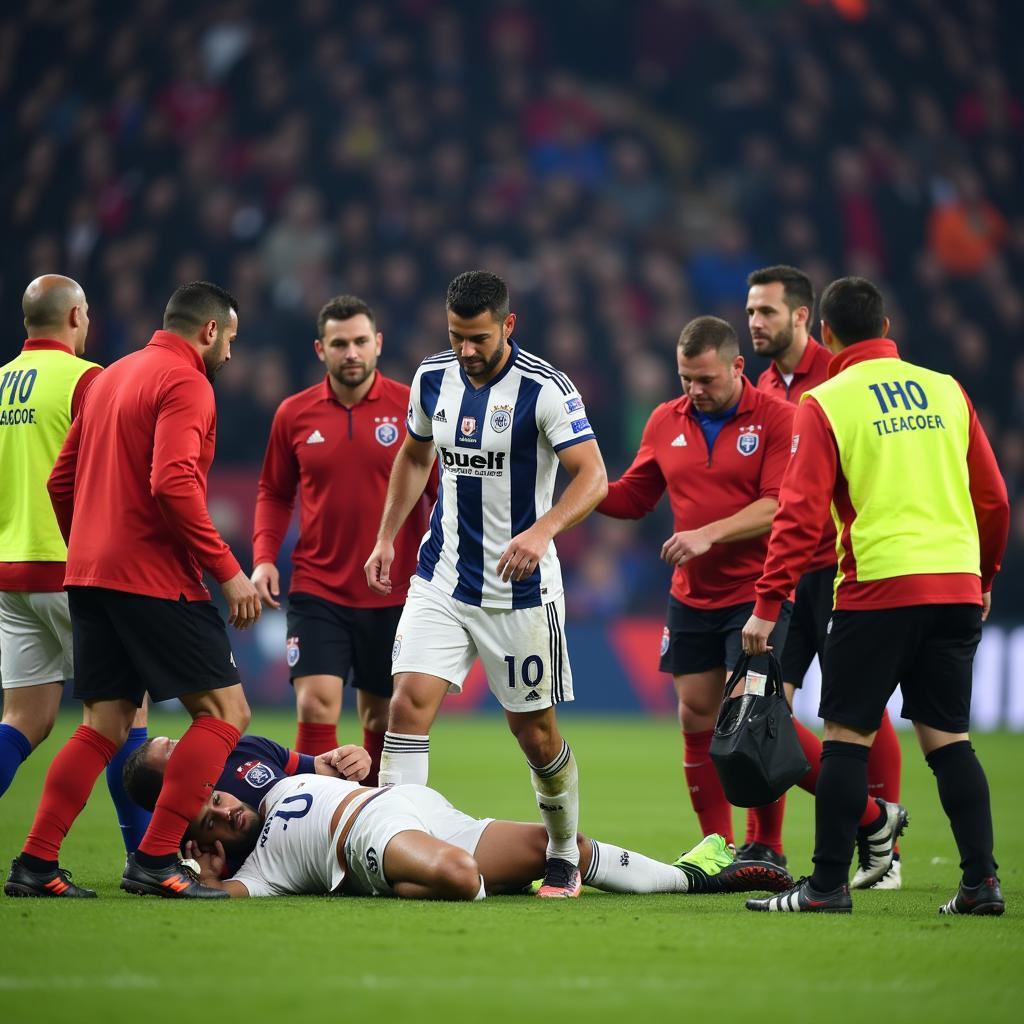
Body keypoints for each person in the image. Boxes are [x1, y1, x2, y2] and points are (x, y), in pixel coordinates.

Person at [743, 276, 1010, 915]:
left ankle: (827, 887)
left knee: (844, 737)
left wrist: (768, 603)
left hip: (878, 588)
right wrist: (986, 578)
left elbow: (801, 515)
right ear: (887, 329)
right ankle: (981, 883)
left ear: (826, 335)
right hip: (954, 587)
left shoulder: (827, 400)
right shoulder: (947, 390)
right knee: (949, 741)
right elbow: (995, 498)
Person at [4, 281, 261, 901]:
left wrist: (89, 546)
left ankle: (36, 863)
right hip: (151, 578)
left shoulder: (112, 374)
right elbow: (173, 483)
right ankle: (155, 858)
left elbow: (61, 482)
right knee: (226, 713)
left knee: (104, 724)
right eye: (229, 337)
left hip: (86, 574)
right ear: (208, 331)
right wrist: (227, 568)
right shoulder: (186, 382)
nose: (230, 351)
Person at [363, 270, 608, 899]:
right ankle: (399, 846)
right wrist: (389, 535)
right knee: (407, 705)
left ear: (508, 325)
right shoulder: (431, 378)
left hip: (519, 593)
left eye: (478, 338)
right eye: (456, 336)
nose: (466, 350)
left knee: (534, 734)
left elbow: (593, 477)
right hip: (441, 578)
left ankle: (561, 852)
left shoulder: (545, 389)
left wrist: (542, 531)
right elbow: (416, 456)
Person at [597, 315, 797, 863]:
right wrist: (578, 490)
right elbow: (633, 497)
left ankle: (768, 846)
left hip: (758, 592)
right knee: (695, 717)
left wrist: (708, 533)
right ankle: (719, 846)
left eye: (705, 379)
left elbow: (779, 504)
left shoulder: (779, 418)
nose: (694, 390)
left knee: (751, 718)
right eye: (685, 378)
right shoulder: (666, 420)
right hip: (691, 596)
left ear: (737, 366)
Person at [747, 264, 905, 887]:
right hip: (790, 571)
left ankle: (882, 846)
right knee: (769, 709)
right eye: (751, 311)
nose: (755, 322)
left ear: (805, 318)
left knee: (858, 707)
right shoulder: (765, 384)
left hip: (844, 565)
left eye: (766, 312)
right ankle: (773, 843)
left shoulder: (842, 375)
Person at [252, 295, 432, 781]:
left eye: (359, 342)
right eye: (339, 344)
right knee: (315, 704)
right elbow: (273, 491)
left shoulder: (412, 410)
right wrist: (265, 558)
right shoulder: (294, 414)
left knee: (380, 717)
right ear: (320, 349)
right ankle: (310, 822)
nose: (350, 352)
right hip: (319, 588)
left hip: (395, 590)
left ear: (377, 344)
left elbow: (440, 493)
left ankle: (374, 827)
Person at [0, 276, 150, 853]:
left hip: (11, 574)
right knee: (122, 716)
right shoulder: (87, 380)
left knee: (24, 719)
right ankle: (145, 857)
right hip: (72, 570)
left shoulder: (3, 383)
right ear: (76, 317)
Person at [177, 772, 794, 900]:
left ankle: (690, 878)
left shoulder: (276, 785)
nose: (225, 809)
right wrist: (206, 879)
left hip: (421, 809)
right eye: (211, 820)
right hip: (365, 835)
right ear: (209, 845)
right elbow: (218, 897)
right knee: (458, 876)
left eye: (218, 797)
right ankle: (419, 885)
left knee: (563, 850)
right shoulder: (257, 873)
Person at [123, 732, 371, 874]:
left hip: (358, 816)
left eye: (176, 741)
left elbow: (322, 768)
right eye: (172, 752)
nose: (186, 744)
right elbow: (229, 880)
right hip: (334, 856)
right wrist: (213, 879)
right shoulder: (195, 838)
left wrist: (349, 760)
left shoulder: (242, 748)